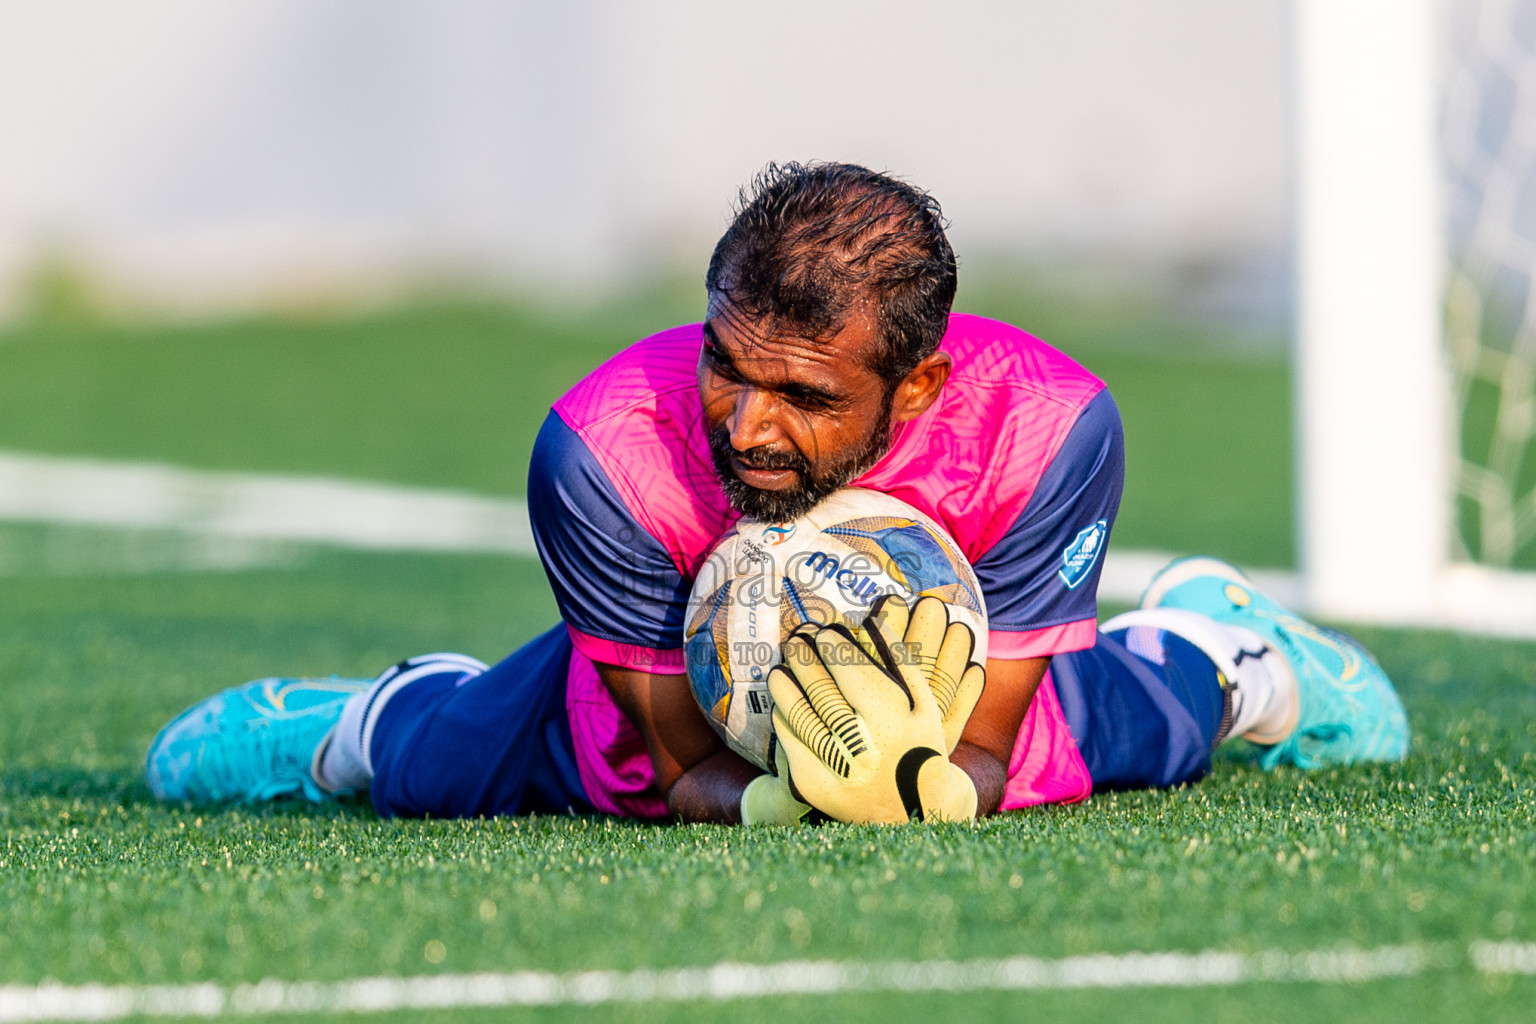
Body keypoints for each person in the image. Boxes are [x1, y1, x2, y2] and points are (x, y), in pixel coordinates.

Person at [145, 162, 1409, 825]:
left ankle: (1230, 648)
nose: (748, 428)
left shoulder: (1048, 428)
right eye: (726, 368)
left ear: (914, 393)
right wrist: (796, 802)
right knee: (455, 769)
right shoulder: (602, 452)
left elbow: (980, 746)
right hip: (662, 720)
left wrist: (912, 782)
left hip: (960, 698)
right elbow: (679, 760)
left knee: (1113, 737)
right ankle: (353, 722)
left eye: (804, 398)